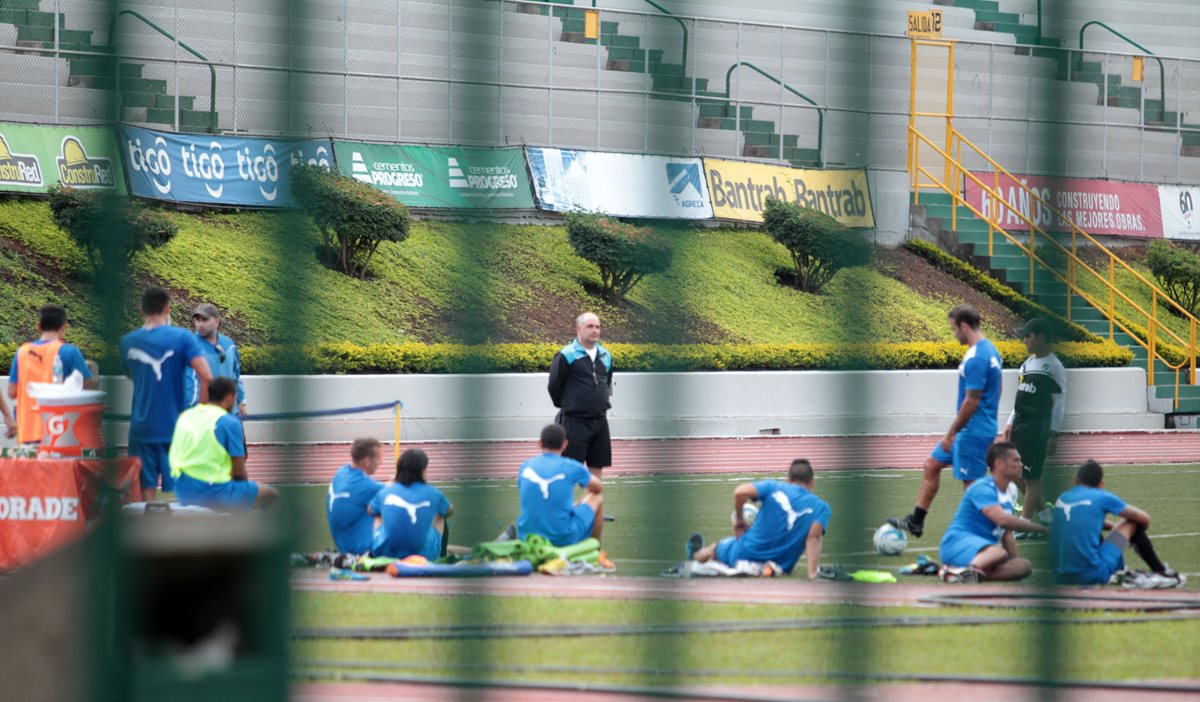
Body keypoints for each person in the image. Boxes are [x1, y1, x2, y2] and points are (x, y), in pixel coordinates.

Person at [889, 304, 1003, 537]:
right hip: (974, 428)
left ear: (964, 326)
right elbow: (999, 388)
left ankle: (980, 534)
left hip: (972, 431)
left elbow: (971, 401)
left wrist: (952, 432)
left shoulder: (977, 357)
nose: (953, 334)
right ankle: (916, 521)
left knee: (971, 486)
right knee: (932, 465)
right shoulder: (991, 350)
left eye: (953, 329)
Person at [121, 287, 213, 501]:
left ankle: (147, 531)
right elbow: (206, 376)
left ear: (141, 310)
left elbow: (129, 374)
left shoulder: (127, 342)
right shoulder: (182, 338)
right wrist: (201, 412)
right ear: (167, 309)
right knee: (185, 492)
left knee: (145, 493)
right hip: (175, 427)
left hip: (141, 427)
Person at [1050, 460, 1185, 589]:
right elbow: (1144, 518)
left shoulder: (1062, 497)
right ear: (1101, 484)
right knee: (1132, 523)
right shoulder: (1101, 496)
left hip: (1059, 576)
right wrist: (1126, 534)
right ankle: (1159, 570)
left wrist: (1114, 529)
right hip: (1092, 574)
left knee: (1087, 529)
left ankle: (1118, 572)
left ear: (1075, 479)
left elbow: (1082, 521)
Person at [687, 459, 831, 579]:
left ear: (788, 480)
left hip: (747, 553)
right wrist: (812, 574)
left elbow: (739, 492)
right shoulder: (821, 507)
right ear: (812, 482)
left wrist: (739, 520)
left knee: (716, 548)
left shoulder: (774, 487)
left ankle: (696, 554)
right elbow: (814, 537)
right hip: (781, 566)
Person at [938, 441, 1047, 583]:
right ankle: (971, 570)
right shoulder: (983, 487)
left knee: (1023, 566)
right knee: (998, 552)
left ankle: (959, 575)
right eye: (1016, 460)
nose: (1020, 464)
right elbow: (1003, 520)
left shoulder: (1011, 490)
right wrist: (1045, 529)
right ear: (999, 464)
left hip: (984, 551)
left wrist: (1014, 562)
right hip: (957, 545)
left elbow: (1006, 532)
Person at [170, 377, 278, 511]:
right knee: (271, 494)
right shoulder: (229, 422)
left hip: (182, 490)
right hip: (212, 492)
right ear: (229, 397)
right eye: (235, 398)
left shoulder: (186, 416)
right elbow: (240, 473)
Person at [1003, 317, 1066, 532]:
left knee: (1031, 478)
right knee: (1014, 473)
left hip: (1038, 428)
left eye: (1027, 336)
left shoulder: (1054, 366)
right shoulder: (1027, 364)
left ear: (1041, 337)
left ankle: (1024, 525)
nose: (1024, 340)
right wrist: (1010, 422)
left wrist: (1053, 433)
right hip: (1020, 426)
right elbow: (1020, 396)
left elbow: (1058, 403)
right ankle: (1045, 514)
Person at [8, 304, 97, 446]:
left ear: (38, 327)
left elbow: (12, 392)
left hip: (27, 432)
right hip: (59, 432)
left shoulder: (22, 352)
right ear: (64, 327)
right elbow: (89, 389)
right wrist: (94, 376)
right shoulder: (70, 353)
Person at [516, 423, 604, 546]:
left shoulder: (525, 466)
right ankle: (596, 551)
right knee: (597, 497)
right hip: (562, 538)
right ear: (565, 444)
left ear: (540, 443)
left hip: (526, 537)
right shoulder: (571, 466)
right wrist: (579, 502)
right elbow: (598, 487)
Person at [548, 312, 613, 476]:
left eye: (598, 327)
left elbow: (607, 382)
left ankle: (593, 503)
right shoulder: (566, 355)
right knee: (569, 471)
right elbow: (554, 385)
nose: (595, 330)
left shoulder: (606, 356)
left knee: (597, 471)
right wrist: (568, 405)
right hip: (574, 422)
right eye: (590, 326)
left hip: (600, 421)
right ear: (578, 329)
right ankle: (564, 502)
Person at [368, 448, 453, 560]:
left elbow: (370, 510)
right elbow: (450, 510)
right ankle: (441, 555)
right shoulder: (433, 493)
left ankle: (377, 548)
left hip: (386, 554)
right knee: (441, 514)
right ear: (422, 470)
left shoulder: (386, 491)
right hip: (423, 557)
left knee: (377, 513)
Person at [184, 303, 246, 416]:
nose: (200, 324)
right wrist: (192, 411)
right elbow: (189, 383)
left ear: (217, 322)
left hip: (231, 413)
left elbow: (236, 376)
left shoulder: (229, 344)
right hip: (204, 415)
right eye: (198, 320)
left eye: (205, 320)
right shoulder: (191, 347)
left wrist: (241, 402)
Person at [326, 438, 386, 555]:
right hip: (359, 550)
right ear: (367, 461)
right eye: (379, 459)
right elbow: (397, 491)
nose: (381, 463)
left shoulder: (341, 472)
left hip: (343, 543)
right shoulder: (367, 486)